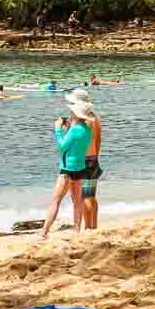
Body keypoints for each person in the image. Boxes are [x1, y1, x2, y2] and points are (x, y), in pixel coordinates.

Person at [40, 108, 91, 238]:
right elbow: (75, 146)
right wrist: (68, 129)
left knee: (56, 201)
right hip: (80, 168)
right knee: (77, 202)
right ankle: (77, 230)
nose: (70, 114)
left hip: (67, 170)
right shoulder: (87, 129)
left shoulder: (74, 130)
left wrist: (57, 130)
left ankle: (44, 232)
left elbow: (62, 146)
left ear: (75, 114)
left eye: (72, 112)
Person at [69, 91, 102, 231]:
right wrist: (95, 156)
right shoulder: (94, 117)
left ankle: (88, 227)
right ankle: (93, 226)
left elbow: (73, 141)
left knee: (84, 197)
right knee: (91, 196)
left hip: (82, 160)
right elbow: (98, 140)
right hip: (93, 158)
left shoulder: (80, 119)